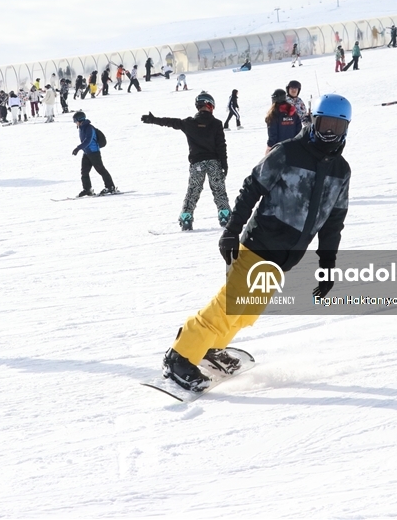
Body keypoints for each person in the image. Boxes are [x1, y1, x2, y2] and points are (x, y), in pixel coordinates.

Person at [160, 94, 352, 391]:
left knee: (247, 311)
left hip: (285, 258)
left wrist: (327, 264)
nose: (330, 133)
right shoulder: (288, 152)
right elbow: (252, 188)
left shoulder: (341, 171)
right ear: (313, 121)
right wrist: (231, 230)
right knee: (229, 304)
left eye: (337, 128)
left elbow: (333, 222)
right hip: (258, 243)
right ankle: (180, 355)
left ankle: (210, 348)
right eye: (325, 124)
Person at [141, 92, 230, 230]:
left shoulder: (189, 123)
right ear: (210, 105)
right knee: (219, 190)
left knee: (193, 191)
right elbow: (221, 145)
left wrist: (153, 120)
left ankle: (186, 218)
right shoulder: (216, 124)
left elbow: (170, 122)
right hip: (214, 162)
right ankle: (224, 216)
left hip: (197, 164)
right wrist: (224, 164)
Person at [72, 111, 117, 197]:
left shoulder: (89, 128)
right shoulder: (81, 127)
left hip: (94, 152)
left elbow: (88, 141)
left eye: (75, 121)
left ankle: (110, 187)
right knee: (84, 172)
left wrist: (78, 148)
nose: (75, 123)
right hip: (86, 153)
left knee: (101, 170)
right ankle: (87, 189)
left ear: (79, 120)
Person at [266, 89, 301, 154]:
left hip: (278, 149)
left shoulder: (274, 114)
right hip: (293, 147)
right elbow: (299, 129)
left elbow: (272, 132)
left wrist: (270, 146)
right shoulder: (293, 112)